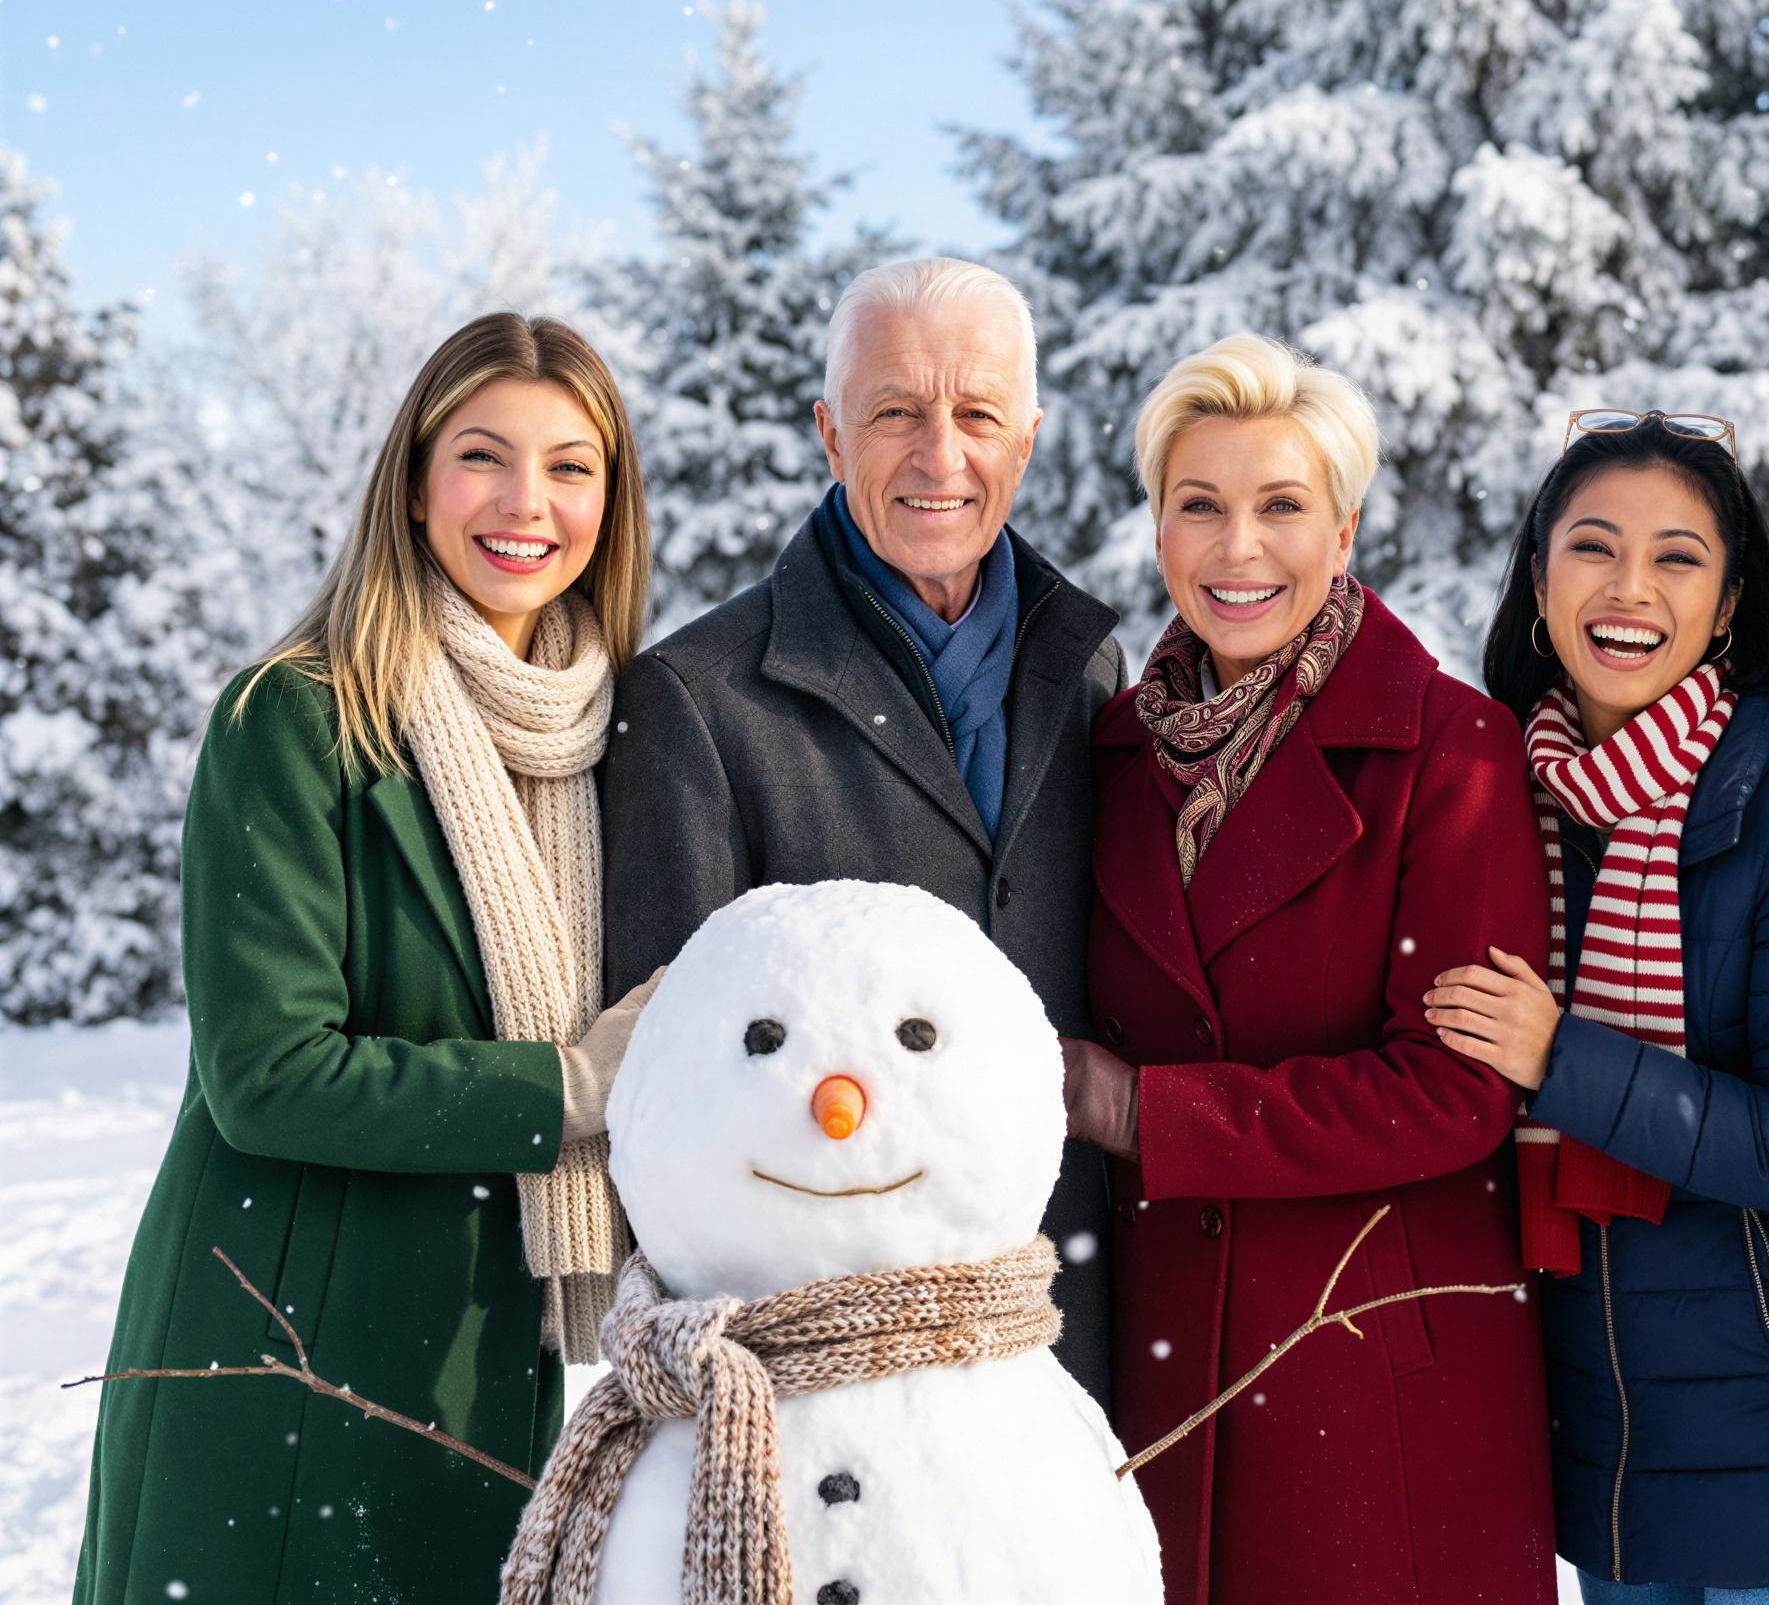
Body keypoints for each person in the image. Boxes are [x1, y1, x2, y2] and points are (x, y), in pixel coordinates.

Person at [73, 313, 659, 1604]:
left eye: (572, 466)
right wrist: (568, 1088)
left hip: (485, 1343)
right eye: (482, 457)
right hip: (286, 1333)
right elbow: (268, 1072)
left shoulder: (615, 738)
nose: (527, 503)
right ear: (411, 481)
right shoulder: (297, 715)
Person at [1065, 334, 1555, 1605]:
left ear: (1343, 531)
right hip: (1165, 1378)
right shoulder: (1111, 754)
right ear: (1158, 527)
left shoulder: (1450, 749)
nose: (1240, 550)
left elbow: (1456, 1092)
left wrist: (1148, 1111)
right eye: (1200, 506)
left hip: (1372, 1384)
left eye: (1282, 507)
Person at [1428, 411, 1769, 1602]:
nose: (1631, 588)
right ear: (1541, 577)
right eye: (1594, 547)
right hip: (1604, 1442)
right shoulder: (1499, 802)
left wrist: (1567, 1060)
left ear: (1728, 602)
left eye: (1678, 557)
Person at [600, 256, 1125, 1401]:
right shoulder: (701, 696)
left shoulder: (1086, 666)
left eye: (977, 413)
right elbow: (673, 1092)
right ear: (831, 436)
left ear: (1027, 441)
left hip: (1067, 1325)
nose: (942, 455)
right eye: (896, 412)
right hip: (829, 1365)